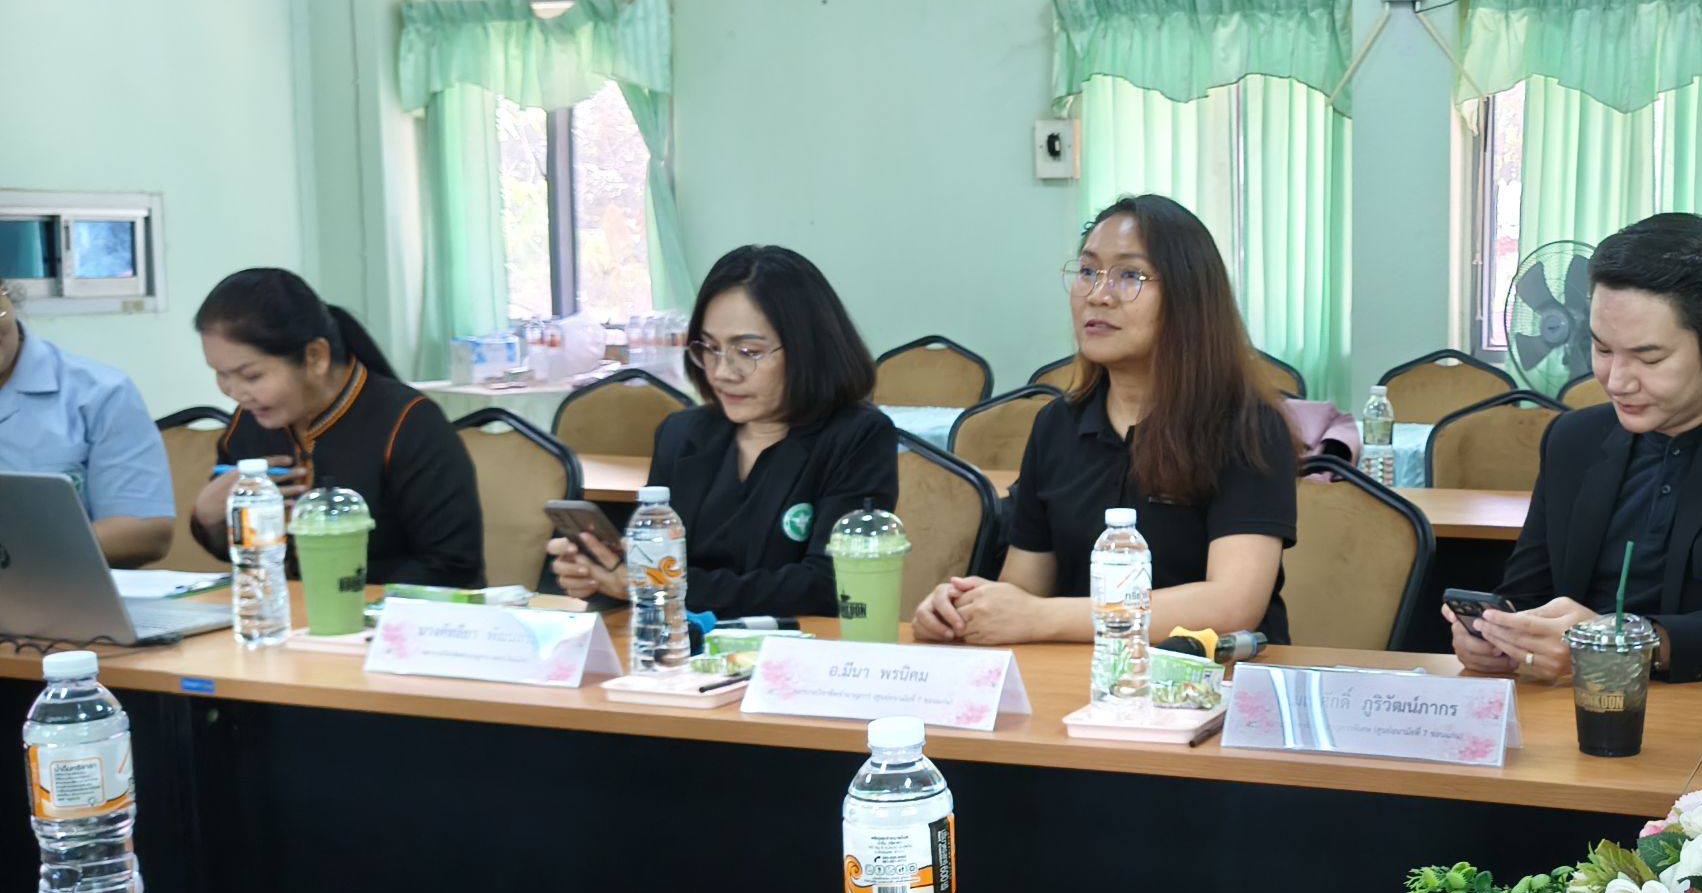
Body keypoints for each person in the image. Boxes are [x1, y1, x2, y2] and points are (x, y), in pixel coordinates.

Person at [1450, 213, 1702, 685]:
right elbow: (1526, 594)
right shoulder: (1573, 440)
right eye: (1602, 350)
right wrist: (1499, 635)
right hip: (1572, 708)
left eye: (1649, 358)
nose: (1617, 381)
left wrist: (1625, 645)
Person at [912, 195, 1296, 646]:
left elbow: (1232, 604)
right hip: (1081, 673)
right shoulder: (1057, 425)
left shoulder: (1246, 426)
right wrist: (963, 611)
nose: (1097, 295)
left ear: (1189, 297)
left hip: (1209, 676)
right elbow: (1023, 591)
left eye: (1129, 275)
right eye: (1088, 271)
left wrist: (1041, 617)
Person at [549, 245, 897, 620]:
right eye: (710, 349)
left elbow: (828, 586)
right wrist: (605, 574)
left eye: (747, 351)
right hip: (681, 647)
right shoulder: (681, 434)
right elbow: (655, 565)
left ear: (808, 349)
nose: (722, 372)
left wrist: (658, 584)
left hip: (794, 647)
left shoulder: (858, 437)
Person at [193, 269, 483, 587]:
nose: (235, 393)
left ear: (315, 357)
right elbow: (245, 552)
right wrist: (209, 517)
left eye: (251, 376)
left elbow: (454, 567)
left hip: (384, 613)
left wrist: (334, 586)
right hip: (279, 610)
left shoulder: (410, 423)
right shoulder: (250, 422)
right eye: (221, 374)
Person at [0, 284, 175, 566]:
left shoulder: (101, 394)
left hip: (58, 586)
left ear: (6, 295)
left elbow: (147, 532)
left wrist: (22, 552)